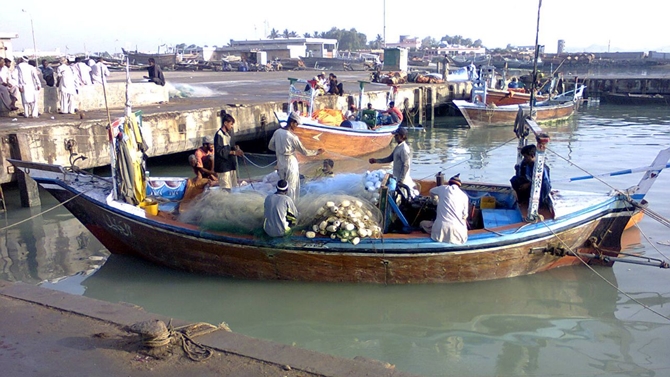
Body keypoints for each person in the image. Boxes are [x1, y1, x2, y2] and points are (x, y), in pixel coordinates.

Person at [268, 111, 324, 202]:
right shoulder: (292, 137)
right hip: (290, 162)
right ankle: (291, 207)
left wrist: (279, 150)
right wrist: (317, 152)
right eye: (296, 124)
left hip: (280, 161)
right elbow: (305, 152)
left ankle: (282, 204)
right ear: (292, 123)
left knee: (283, 185)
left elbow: (270, 146)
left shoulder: (277, 132)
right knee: (292, 187)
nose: (296, 127)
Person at [420, 174, 469, 244]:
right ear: (459, 185)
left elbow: (431, 191)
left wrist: (435, 200)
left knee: (422, 224)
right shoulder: (464, 196)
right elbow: (464, 216)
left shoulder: (443, 188)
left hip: (440, 229)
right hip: (458, 232)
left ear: (449, 183)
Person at [369, 127, 415, 192]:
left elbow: (406, 165)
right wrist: (376, 161)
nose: (395, 137)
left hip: (402, 180)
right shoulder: (398, 146)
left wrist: (401, 181)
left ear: (402, 136)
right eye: (395, 135)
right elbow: (390, 158)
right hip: (396, 178)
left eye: (397, 135)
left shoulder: (404, 149)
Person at [214, 112, 243, 191]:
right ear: (225, 123)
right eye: (231, 124)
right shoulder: (219, 135)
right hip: (223, 167)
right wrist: (234, 153)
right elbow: (219, 151)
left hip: (231, 165)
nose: (232, 126)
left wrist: (237, 149)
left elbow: (232, 146)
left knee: (234, 188)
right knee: (226, 190)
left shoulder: (230, 133)